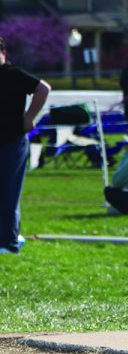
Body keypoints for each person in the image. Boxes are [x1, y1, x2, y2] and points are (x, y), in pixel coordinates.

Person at [0, 36, 51, 254]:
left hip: (12, 140)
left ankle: (8, 243)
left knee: (8, 194)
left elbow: (43, 89)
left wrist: (30, 117)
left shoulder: (14, 74)